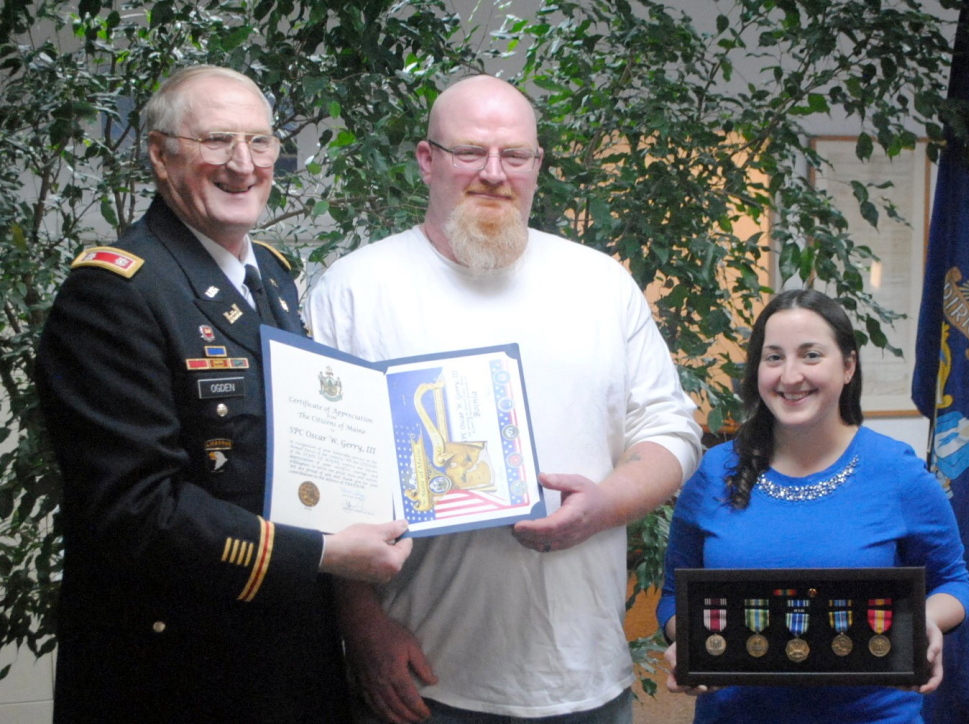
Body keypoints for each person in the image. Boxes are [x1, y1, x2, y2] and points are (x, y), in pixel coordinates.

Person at [305, 74, 703, 723]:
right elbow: (323, 481)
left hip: (583, 676)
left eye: (514, 155)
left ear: (536, 166)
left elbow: (671, 429)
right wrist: (362, 627)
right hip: (426, 678)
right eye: (470, 152)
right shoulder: (353, 292)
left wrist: (603, 505)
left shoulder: (598, 284)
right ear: (427, 160)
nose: (494, 173)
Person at [36, 65, 412, 724]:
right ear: (160, 154)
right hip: (176, 675)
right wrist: (323, 553)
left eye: (260, 142)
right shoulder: (115, 294)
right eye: (217, 140)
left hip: (285, 655)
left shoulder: (270, 275)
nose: (243, 164)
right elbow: (135, 509)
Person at [656, 288, 969, 724]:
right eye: (773, 358)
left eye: (810, 355)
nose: (790, 376)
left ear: (847, 366)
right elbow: (675, 597)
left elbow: (954, 582)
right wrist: (690, 644)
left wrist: (924, 621)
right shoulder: (714, 472)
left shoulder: (897, 472)